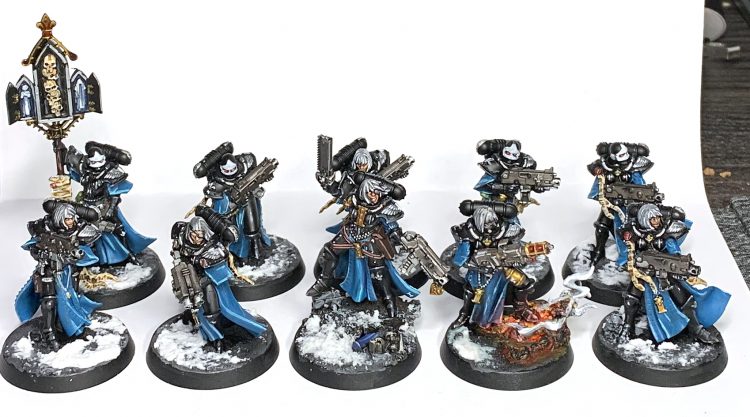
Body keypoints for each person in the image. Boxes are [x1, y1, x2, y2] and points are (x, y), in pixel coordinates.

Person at [618, 203, 729, 344]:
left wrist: (680, 264)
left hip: (664, 274)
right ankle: (627, 328)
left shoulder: (665, 234)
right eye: (653, 219)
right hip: (642, 273)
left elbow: (674, 252)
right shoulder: (635, 233)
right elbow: (627, 252)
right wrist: (631, 261)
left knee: (686, 300)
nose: (657, 221)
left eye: (658, 218)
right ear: (645, 220)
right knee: (631, 299)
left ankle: (696, 329)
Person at [308, 177, 418, 317]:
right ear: (364, 192)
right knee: (329, 251)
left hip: (370, 238)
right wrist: (328, 182)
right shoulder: (355, 199)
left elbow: (391, 225)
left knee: (378, 272)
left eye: (377, 193)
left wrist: (399, 237)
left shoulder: (385, 207)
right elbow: (339, 192)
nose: (374, 196)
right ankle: (324, 281)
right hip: (350, 233)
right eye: (371, 193)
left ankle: (388, 299)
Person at [171, 206, 267, 351]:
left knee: (212, 310)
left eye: (200, 236)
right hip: (187, 274)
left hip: (207, 278)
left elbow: (221, 255)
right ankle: (210, 333)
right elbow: (176, 250)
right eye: (194, 235)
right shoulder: (180, 231)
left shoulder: (212, 245)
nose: (196, 239)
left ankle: (217, 337)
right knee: (191, 301)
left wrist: (201, 261)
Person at [14, 201, 101, 350]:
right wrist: (43, 254)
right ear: (59, 218)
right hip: (49, 270)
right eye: (67, 219)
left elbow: (94, 233)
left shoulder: (76, 229)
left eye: (72, 218)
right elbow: (33, 247)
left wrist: (84, 215)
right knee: (49, 301)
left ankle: (71, 328)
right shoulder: (46, 228)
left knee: (72, 298)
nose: (71, 222)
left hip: (67, 271)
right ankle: (50, 333)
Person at [450, 203, 539, 329]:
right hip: (479, 269)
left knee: (525, 284)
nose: (491, 226)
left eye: (493, 222)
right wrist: (479, 267)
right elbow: (461, 260)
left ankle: (521, 308)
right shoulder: (469, 233)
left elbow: (515, 245)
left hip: (503, 266)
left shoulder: (505, 229)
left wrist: (520, 257)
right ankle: (465, 313)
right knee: (470, 290)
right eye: (487, 223)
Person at [66, 141, 155, 265]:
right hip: (86, 205)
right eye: (94, 163)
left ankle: (129, 254)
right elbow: (74, 170)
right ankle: (90, 256)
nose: (97, 166)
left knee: (116, 229)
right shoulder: (86, 170)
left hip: (104, 205)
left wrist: (111, 209)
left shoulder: (109, 172)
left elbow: (116, 193)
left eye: (99, 162)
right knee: (84, 230)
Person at [194, 142, 272, 266]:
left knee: (252, 212)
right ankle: (234, 252)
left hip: (247, 198)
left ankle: (255, 245)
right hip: (228, 208)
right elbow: (219, 208)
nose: (230, 172)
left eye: (232, 170)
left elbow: (255, 176)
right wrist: (231, 203)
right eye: (227, 170)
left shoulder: (245, 162)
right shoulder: (216, 179)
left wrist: (259, 184)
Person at [587, 142, 653, 265]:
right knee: (601, 226)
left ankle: (632, 253)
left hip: (628, 205)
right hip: (610, 203)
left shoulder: (632, 167)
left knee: (628, 229)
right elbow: (594, 169)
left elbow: (640, 188)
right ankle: (599, 251)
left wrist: (638, 199)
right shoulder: (606, 165)